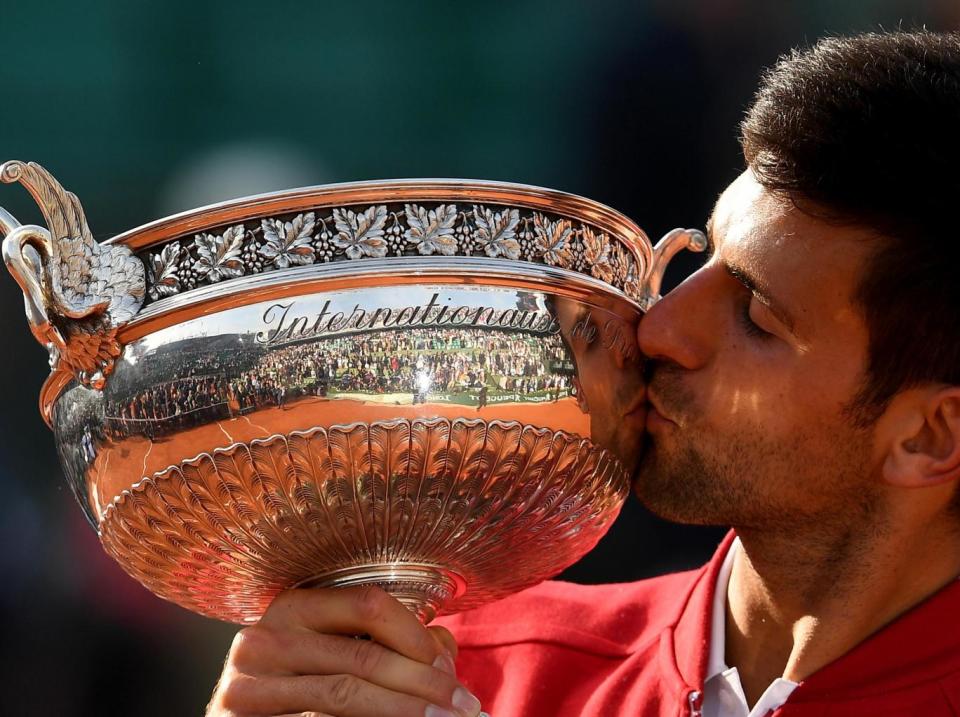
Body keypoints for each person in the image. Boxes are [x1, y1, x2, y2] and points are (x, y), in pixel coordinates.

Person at [205, 30, 960, 717]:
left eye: (757, 317)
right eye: (702, 263)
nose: (660, 327)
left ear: (930, 435)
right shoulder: (452, 670)